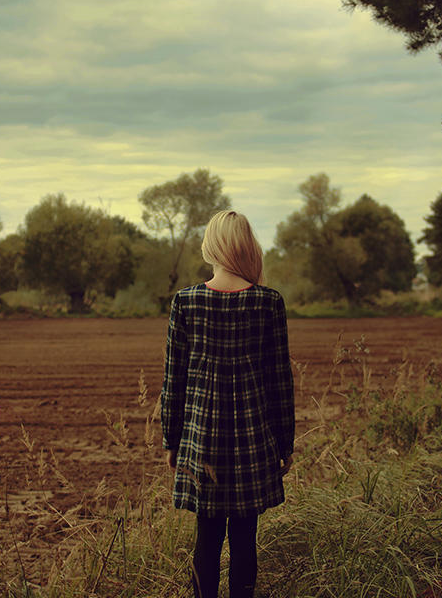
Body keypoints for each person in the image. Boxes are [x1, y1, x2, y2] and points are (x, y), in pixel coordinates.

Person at [161, 210, 295, 598]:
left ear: (212, 247)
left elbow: (174, 382)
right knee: (244, 540)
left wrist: (171, 440)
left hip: (201, 442)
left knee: (206, 539)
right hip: (254, 444)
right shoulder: (269, 303)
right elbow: (279, 384)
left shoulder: (186, 302)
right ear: (247, 246)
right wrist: (285, 444)